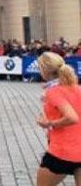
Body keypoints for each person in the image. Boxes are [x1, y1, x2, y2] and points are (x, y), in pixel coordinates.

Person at [35, 52, 81, 185]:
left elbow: (72, 117)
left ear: (44, 70)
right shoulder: (76, 88)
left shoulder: (53, 91)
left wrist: (49, 124)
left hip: (62, 151)